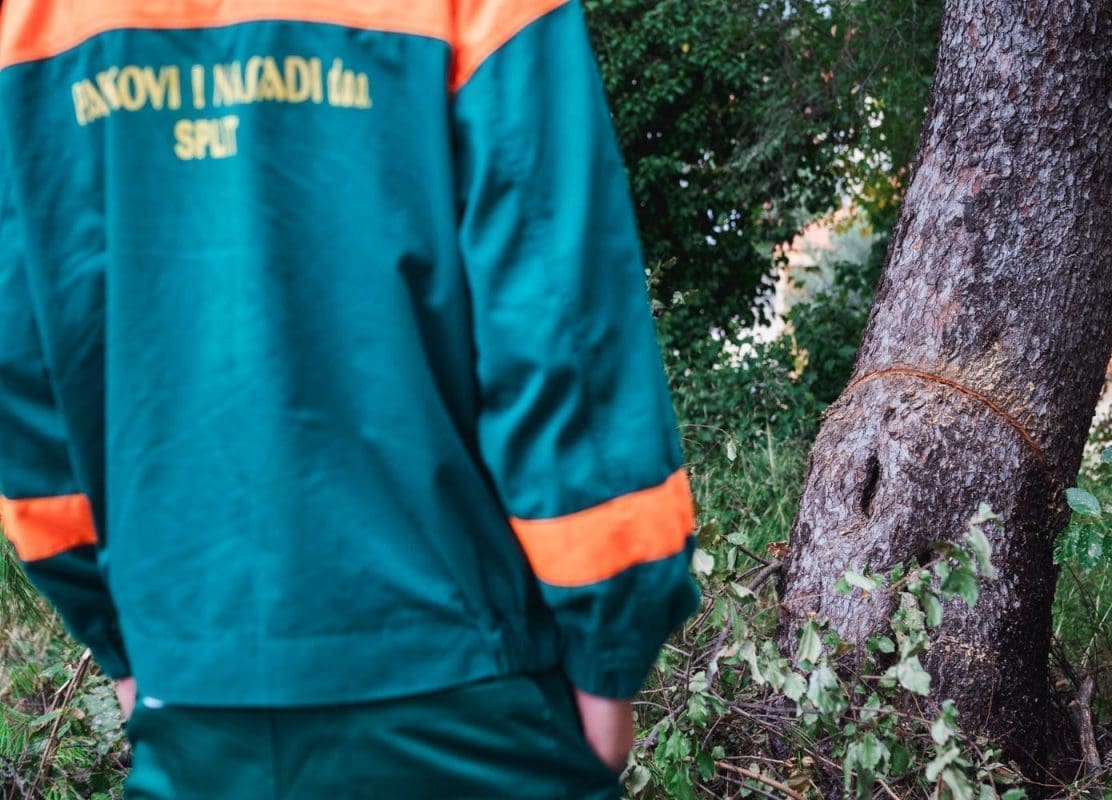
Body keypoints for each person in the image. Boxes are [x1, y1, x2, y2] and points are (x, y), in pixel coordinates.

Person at [0, 1, 699, 797]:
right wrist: (612, 644)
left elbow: (23, 363)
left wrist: (124, 641)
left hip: (194, 688)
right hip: (463, 677)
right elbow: (557, 309)